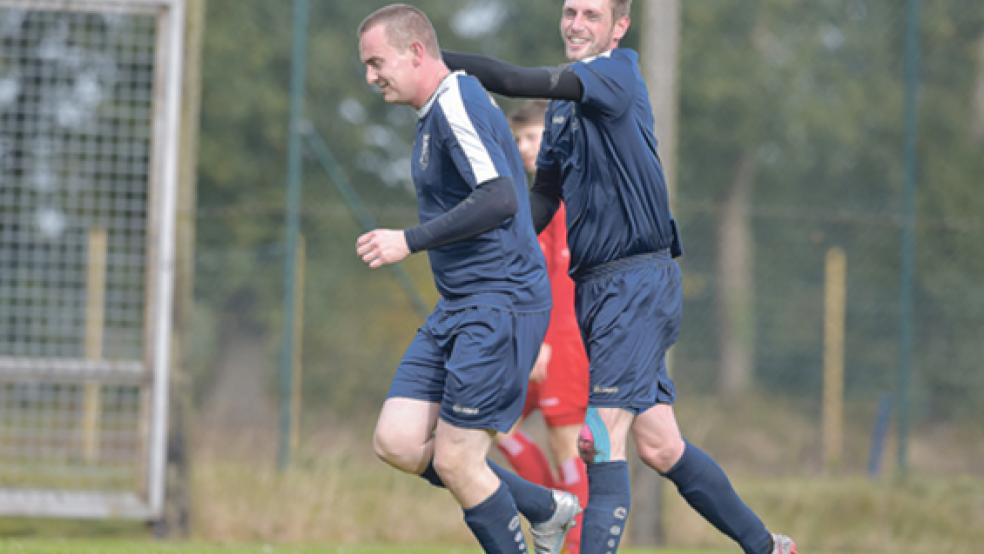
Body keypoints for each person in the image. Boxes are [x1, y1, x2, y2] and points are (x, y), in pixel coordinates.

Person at [442, 1, 797, 553]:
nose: (576, 24)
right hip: (598, 290)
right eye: (569, 12)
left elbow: (512, 79)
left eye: (591, 14)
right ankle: (768, 547)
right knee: (659, 445)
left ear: (619, 26)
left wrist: (428, 61)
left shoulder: (615, 73)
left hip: (636, 282)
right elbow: (544, 197)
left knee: (598, 440)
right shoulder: (559, 113)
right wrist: (499, 249)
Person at [355, 5, 580, 553]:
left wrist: (408, 239)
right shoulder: (431, 111)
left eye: (376, 62)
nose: (370, 77)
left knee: (457, 459)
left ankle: (542, 520)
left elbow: (502, 198)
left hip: (498, 303)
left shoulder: (456, 99)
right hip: (459, 305)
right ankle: (544, 506)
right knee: (399, 441)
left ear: (415, 53)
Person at [495, 100, 590, 554]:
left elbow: (563, 278)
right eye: (518, 140)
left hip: (560, 341)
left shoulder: (569, 196)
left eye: (532, 137)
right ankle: (550, 509)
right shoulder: (538, 196)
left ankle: (573, 544)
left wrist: (547, 341)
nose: (524, 147)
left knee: (565, 442)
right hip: (531, 339)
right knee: (495, 424)